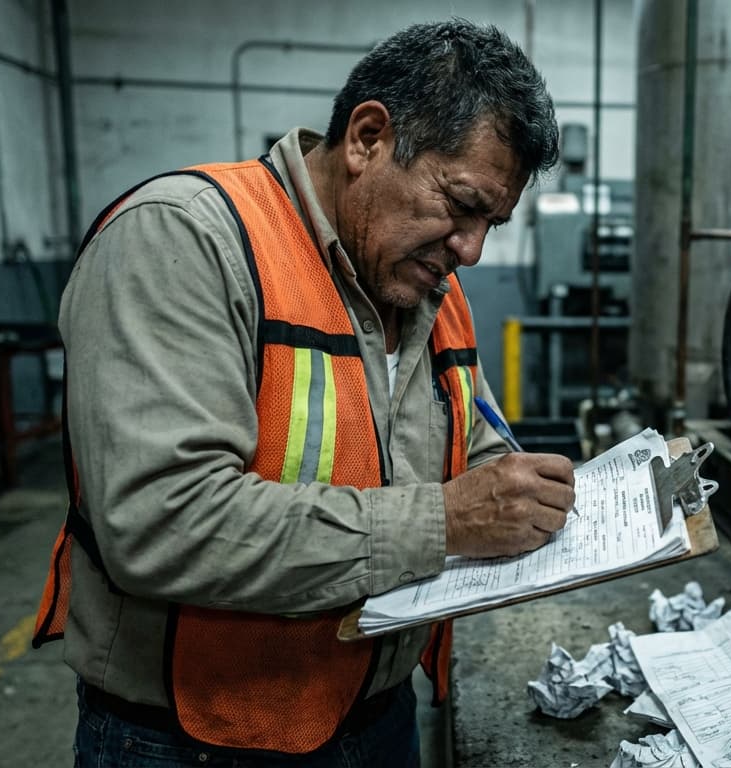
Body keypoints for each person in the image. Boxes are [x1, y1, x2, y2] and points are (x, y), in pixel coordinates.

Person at [31, 19, 573, 767]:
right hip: (192, 739)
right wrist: (446, 522)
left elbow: (476, 454)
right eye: (461, 204)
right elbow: (162, 523)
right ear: (367, 138)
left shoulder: (429, 288)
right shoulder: (185, 241)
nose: (472, 250)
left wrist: (530, 502)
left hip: (380, 717)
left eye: (493, 223)